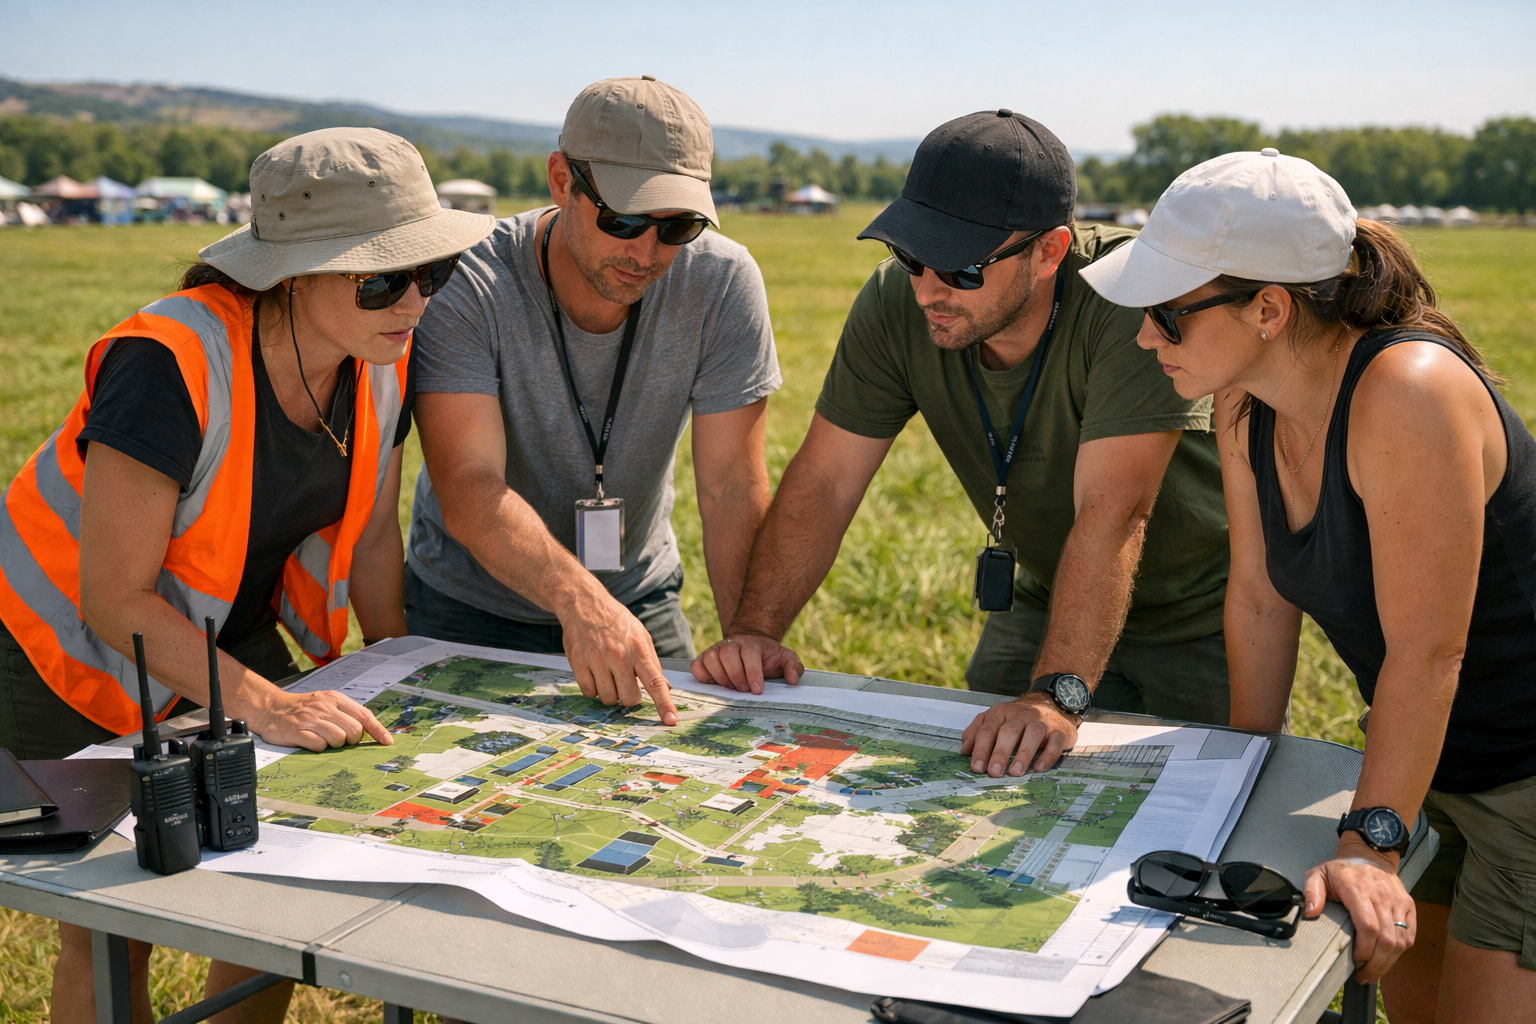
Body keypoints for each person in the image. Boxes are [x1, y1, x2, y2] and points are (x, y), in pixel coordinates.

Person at [0, 127, 492, 1024]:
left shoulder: (381, 357)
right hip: (61, 655)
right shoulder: (166, 361)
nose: (416, 301)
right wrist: (268, 704)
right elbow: (113, 598)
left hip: (222, 633)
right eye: (385, 278)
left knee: (266, 896)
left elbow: (376, 537)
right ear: (292, 274)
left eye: (435, 272)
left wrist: (406, 667)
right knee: (113, 923)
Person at [1081, 147, 1536, 1018]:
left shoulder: (1408, 390)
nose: (1144, 336)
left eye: (1168, 315)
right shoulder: (1243, 400)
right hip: (1432, 762)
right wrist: (1243, 771)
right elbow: (1259, 596)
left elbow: (1430, 651)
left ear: (1268, 309)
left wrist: (1371, 842)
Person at [690, 110, 1231, 776]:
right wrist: (755, 631)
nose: (927, 290)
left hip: (1203, 612)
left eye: (961, 270)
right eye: (911, 255)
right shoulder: (899, 302)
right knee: (973, 778)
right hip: (1048, 591)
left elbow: (1115, 510)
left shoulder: (1128, 297)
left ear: (1049, 252)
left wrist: (1056, 694)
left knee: (1198, 812)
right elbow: (827, 480)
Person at [406, 75, 779, 725]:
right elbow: (468, 483)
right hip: (470, 603)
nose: (647, 251)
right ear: (560, 180)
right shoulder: (469, 280)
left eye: (678, 227)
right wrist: (579, 601)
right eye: (624, 219)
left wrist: (748, 632)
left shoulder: (723, 281)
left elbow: (729, 484)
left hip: (636, 594)